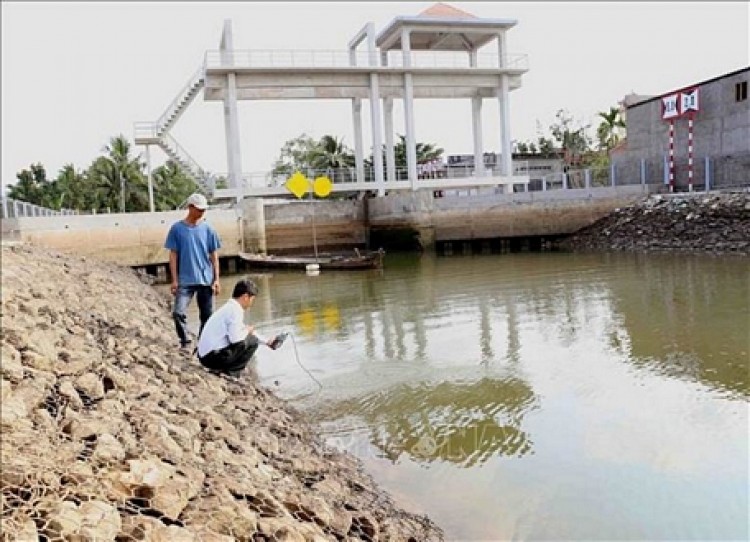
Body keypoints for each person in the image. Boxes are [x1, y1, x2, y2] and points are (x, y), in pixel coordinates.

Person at [164, 193, 222, 348]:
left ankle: (203, 343)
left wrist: (216, 280)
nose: (202, 212)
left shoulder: (208, 229)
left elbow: (214, 256)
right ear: (190, 207)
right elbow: (173, 255)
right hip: (185, 280)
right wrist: (174, 280)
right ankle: (185, 341)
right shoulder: (177, 229)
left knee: (207, 316)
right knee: (178, 312)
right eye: (199, 209)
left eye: (204, 210)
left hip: (206, 280)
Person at [197, 278, 284, 377]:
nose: (251, 303)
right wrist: (247, 330)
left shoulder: (230, 307)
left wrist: (267, 342)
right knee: (253, 342)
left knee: (250, 338)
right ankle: (231, 372)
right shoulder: (235, 311)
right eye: (252, 299)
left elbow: (244, 331)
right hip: (211, 358)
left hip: (205, 356)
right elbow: (236, 339)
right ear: (245, 297)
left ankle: (228, 370)